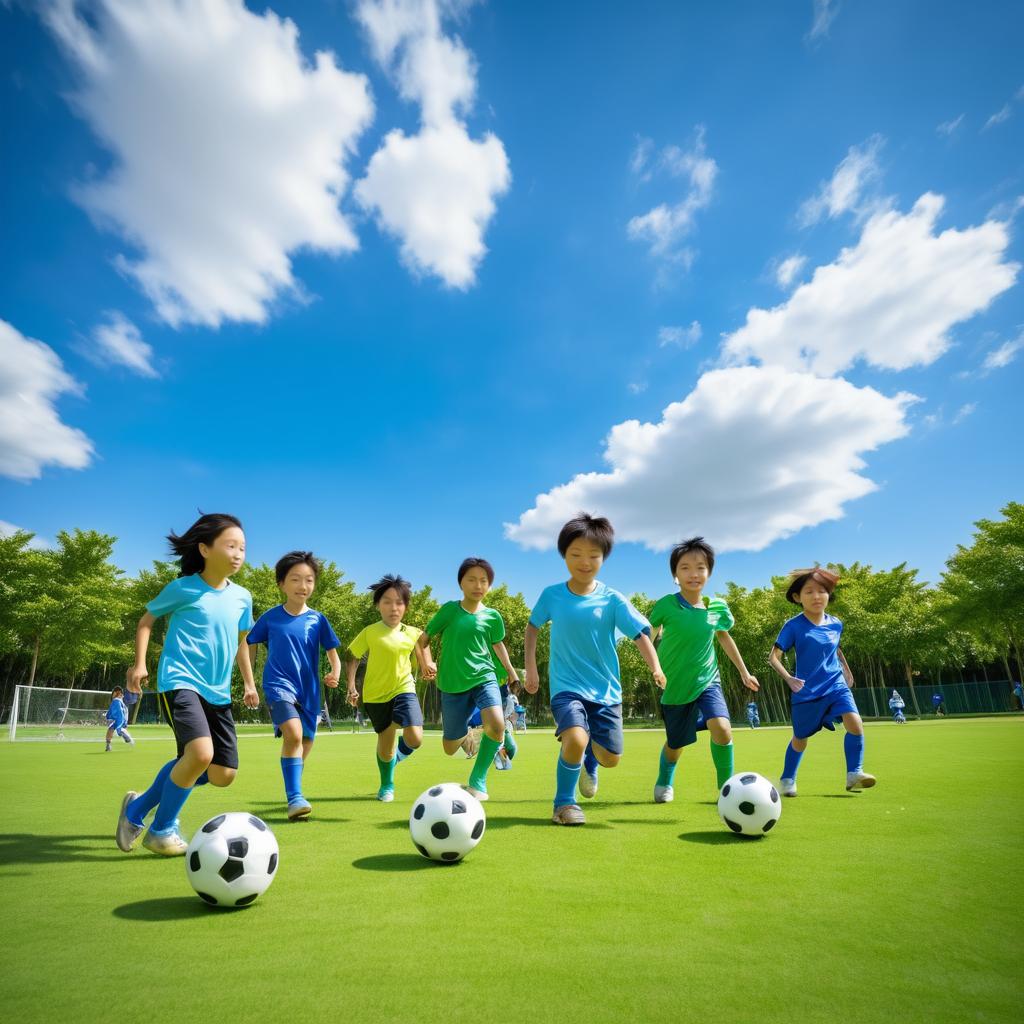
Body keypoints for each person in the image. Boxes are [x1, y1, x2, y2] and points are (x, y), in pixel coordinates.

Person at [116, 513, 256, 856]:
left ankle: (137, 809)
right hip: (180, 681)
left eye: (243, 547)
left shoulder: (243, 598)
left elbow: (241, 643)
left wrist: (250, 684)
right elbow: (146, 621)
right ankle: (161, 829)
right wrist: (139, 664)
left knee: (222, 773)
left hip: (218, 692)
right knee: (199, 754)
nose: (238, 554)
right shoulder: (183, 588)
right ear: (205, 549)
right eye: (230, 545)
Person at [524, 514, 665, 826]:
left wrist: (655, 667)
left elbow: (640, 635)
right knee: (575, 738)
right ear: (564, 555)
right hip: (566, 687)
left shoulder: (612, 598)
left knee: (610, 758)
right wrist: (531, 670)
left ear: (604, 557)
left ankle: (591, 762)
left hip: (606, 691)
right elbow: (532, 628)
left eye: (593, 555)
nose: (584, 562)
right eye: (575, 554)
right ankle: (564, 804)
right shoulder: (552, 595)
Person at [649, 537, 759, 803]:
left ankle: (727, 789)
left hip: (708, 680)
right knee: (676, 745)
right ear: (675, 574)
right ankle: (665, 780)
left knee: (722, 727)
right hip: (674, 685)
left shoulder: (715, 607)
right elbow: (647, 637)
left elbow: (724, 638)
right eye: (685, 567)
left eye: (700, 567)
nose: (693, 573)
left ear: (708, 572)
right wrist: (654, 668)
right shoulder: (666, 605)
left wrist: (744, 672)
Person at [245, 551, 341, 820]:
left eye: (309, 580)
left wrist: (335, 672)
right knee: (294, 735)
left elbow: (332, 650)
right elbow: (250, 644)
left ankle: (294, 790)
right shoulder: (271, 617)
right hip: (278, 685)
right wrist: (249, 683)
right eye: (295, 579)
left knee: (305, 741)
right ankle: (295, 799)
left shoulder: (318, 619)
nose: (303, 586)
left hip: (309, 691)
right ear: (281, 584)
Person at [416, 558, 520, 801]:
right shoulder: (450, 610)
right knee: (449, 747)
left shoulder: (493, 616)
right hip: (451, 684)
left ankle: (478, 781)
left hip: (484, 677)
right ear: (461, 583)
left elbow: (498, 644)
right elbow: (424, 639)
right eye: (471, 579)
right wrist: (426, 663)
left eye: (484, 580)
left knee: (495, 723)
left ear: (489, 586)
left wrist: (512, 672)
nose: (478, 585)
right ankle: (478, 733)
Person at [768, 567, 875, 797]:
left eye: (822, 591)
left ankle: (854, 773)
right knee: (800, 739)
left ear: (828, 595)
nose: (816, 596)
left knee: (855, 723)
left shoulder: (836, 623)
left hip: (835, 685)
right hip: (806, 692)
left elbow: (835, 649)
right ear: (798, 598)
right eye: (809, 592)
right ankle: (788, 778)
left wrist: (846, 671)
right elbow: (773, 657)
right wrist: (789, 678)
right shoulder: (793, 626)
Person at [346, 575, 429, 802]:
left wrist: (427, 665)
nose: (394, 608)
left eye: (399, 602)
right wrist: (351, 686)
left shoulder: (413, 632)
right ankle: (387, 785)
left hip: (404, 688)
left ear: (406, 607)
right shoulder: (370, 632)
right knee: (385, 743)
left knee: (415, 738)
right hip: (375, 695)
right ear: (378, 605)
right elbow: (353, 656)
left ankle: (400, 753)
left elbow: (424, 649)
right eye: (387, 602)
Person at [105, 686, 134, 751]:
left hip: (120, 719)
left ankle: (127, 737)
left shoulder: (117, 701)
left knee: (116, 730)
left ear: (117, 692)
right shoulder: (118, 701)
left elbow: (120, 712)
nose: (113, 694)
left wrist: (108, 716)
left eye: (114, 692)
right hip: (120, 718)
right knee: (111, 729)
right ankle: (108, 745)